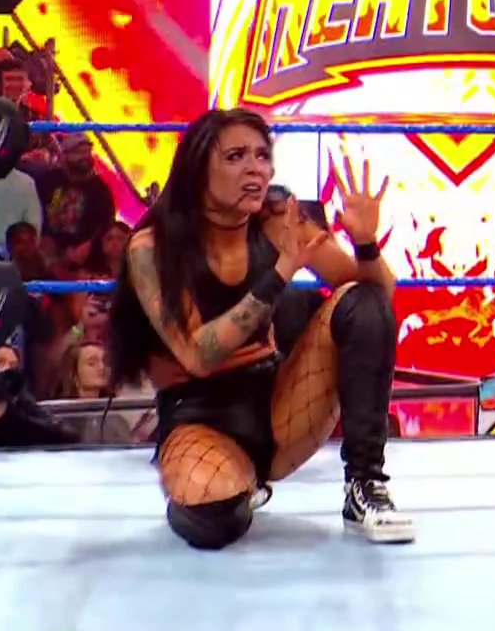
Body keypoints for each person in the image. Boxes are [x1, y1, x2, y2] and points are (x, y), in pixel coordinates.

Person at [105, 108, 410, 549]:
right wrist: (281, 273)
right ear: (198, 168)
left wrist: (366, 244)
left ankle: (365, 485)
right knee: (215, 522)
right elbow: (198, 355)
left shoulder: (278, 219)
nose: (255, 168)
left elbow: (376, 297)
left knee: (361, 301)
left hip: (279, 404)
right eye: (235, 156)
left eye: (262, 156)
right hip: (199, 416)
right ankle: (235, 485)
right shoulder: (151, 247)